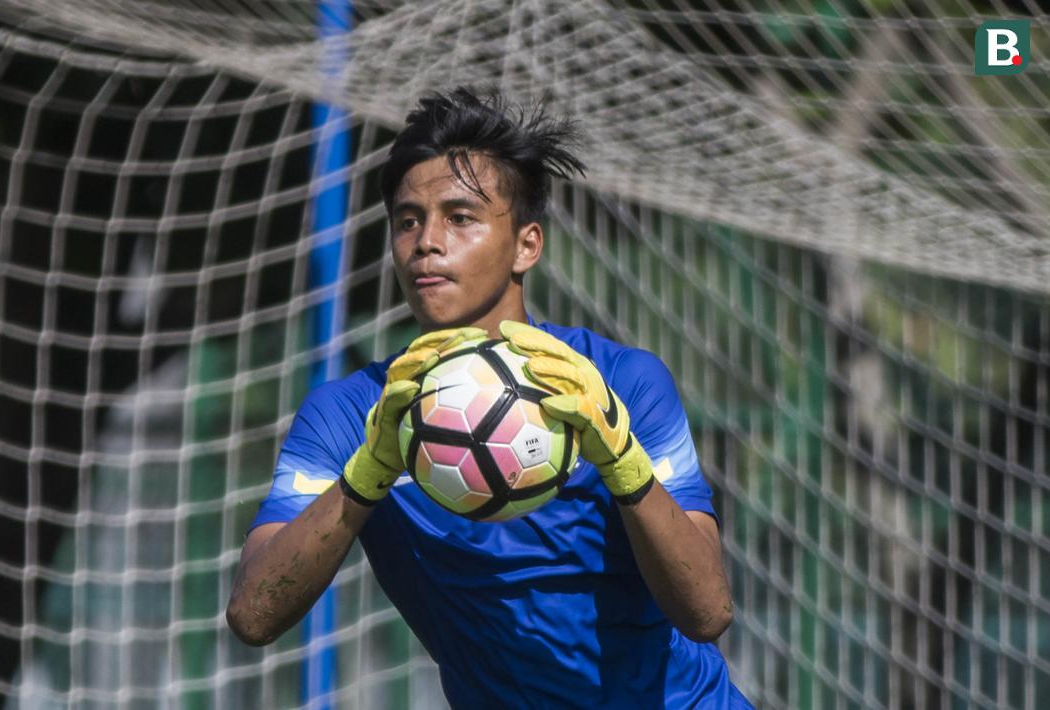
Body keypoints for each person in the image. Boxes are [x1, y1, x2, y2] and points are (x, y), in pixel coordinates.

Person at [226, 87, 751, 708]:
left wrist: (621, 458)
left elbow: (708, 611)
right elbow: (254, 616)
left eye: (461, 217)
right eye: (408, 220)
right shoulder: (351, 414)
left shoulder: (621, 384)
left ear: (528, 244)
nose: (426, 241)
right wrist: (367, 474)